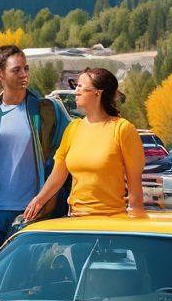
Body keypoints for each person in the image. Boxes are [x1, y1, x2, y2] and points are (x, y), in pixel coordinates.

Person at [23, 68, 145, 220]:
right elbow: (58, 175)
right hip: (77, 221)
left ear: (97, 93)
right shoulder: (73, 129)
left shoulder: (123, 129)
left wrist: (136, 217)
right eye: (76, 86)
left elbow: (135, 185)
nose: (76, 91)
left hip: (112, 223)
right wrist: (38, 201)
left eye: (81, 86)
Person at [0, 45, 69, 256]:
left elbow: (70, 150)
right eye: (17, 70)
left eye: (26, 69)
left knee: (24, 284)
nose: (24, 75)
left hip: (30, 213)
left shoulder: (47, 110)